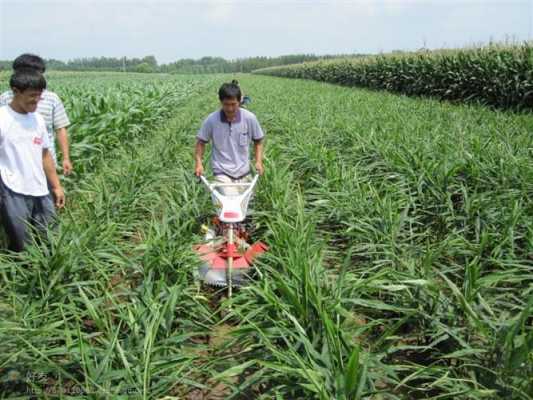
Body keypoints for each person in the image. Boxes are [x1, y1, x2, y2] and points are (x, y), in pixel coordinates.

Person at [0, 68, 65, 252]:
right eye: (32, 95)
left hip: (40, 189)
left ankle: (52, 273)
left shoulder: (37, 120)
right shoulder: (2, 119)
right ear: (15, 91)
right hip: (13, 190)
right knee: (22, 243)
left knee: (51, 238)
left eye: (40, 96)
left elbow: (45, 156)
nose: (37, 100)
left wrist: (57, 186)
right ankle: (25, 277)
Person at [0, 54, 73, 176]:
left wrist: (66, 157)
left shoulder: (52, 99)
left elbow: (60, 129)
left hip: (46, 165)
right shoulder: (5, 99)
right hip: (12, 168)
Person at [195, 81, 264, 197]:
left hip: (244, 171)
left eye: (233, 104)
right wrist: (198, 163)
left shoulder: (249, 118)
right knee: (232, 204)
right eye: (226, 104)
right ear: (221, 102)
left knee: (246, 207)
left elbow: (258, 141)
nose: (230, 108)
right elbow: (200, 142)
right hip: (222, 172)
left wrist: (258, 161)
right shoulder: (211, 120)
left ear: (239, 101)